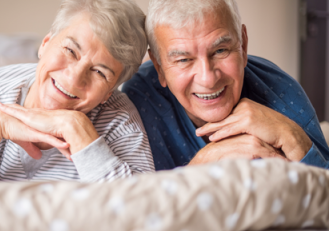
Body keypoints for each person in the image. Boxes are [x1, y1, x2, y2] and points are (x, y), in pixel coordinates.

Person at [0, 0, 154, 189]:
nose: (74, 79)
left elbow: (141, 213)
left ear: (109, 92)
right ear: (45, 44)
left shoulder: (120, 119)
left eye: (99, 72)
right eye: (70, 50)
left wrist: (76, 128)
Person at [122, 0, 329, 170]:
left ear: (243, 45)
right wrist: (202, 163)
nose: (208, 79)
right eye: (183, 60)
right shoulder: (140, 98)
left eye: (220, 50)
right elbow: (136, 212)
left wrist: (291, 136)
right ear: (159, 67)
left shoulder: (282, 91)